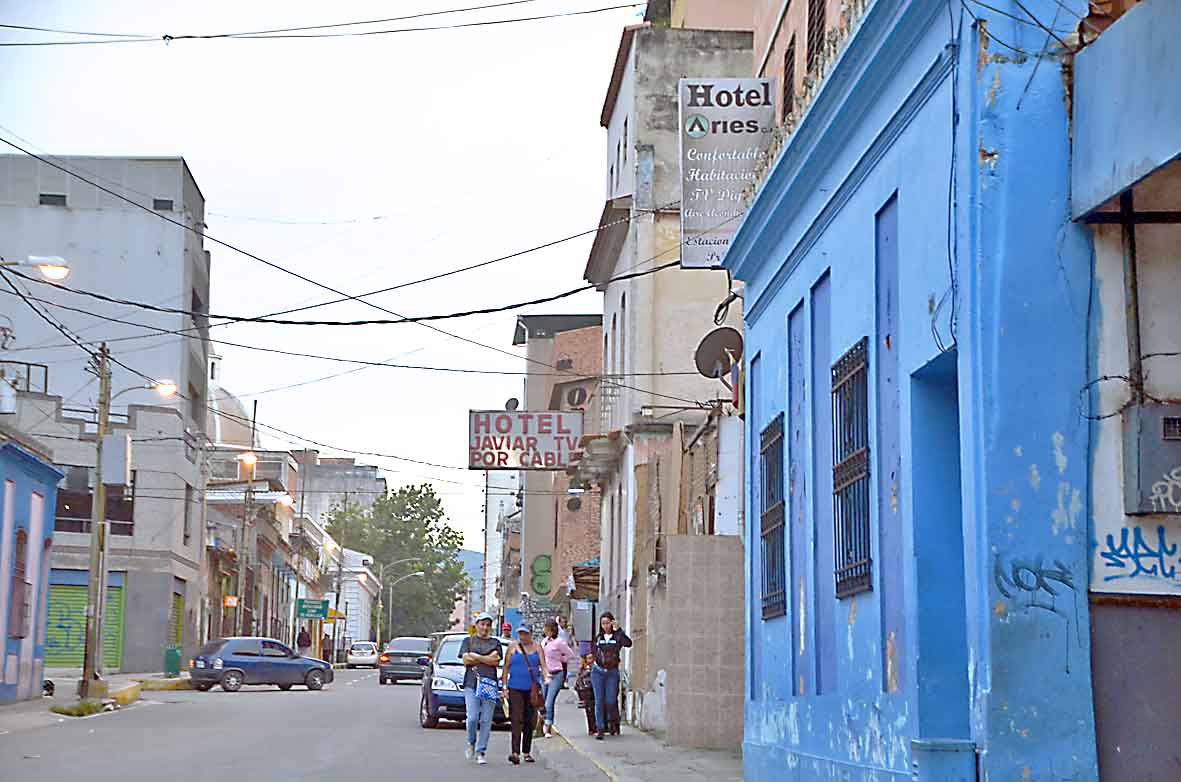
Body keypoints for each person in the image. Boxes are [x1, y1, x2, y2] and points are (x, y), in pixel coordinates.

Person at [501, 623, 549, 765]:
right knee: (516, 718)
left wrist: (546, 677)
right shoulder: (512, 648)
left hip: (531, 689)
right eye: (520, 633)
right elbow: (506, 668)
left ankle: (526, 751)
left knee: (529, 720)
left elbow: (543, 665)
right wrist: (504, 687)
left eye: (525, 634)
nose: (522, 636)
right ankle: (515, 752)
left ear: (531, 634)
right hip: (515, 687)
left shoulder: (537, 648)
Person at [460, 612, 503, 766]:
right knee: (472, 718)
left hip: (489, 684)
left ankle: (481, 751)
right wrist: (485, 658)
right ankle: (471, 743)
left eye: (488, 625)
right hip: (472, 683)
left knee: (486, 720)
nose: (485, 627)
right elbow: (466, 660)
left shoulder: (495, 642)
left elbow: (495, 661)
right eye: (482, 624)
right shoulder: (468, 641)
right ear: (477, 625)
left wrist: (476, 657)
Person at [590, 612, 631, 740]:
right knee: (599, 700)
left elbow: (628, 643)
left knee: (611, 700)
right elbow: (593, 651)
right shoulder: (598, 638)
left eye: (608, 623)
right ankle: (600, 728)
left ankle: (614, 723)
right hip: (598, 671)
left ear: (612, 622)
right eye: (603, 623)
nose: (605, 626)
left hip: (612, 672)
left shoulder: (617, 636)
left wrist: (618, 630)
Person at [540, 620, 577, 738]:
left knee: (549, 702)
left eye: (547, 628)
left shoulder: (559, 642)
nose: (545, 630)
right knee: (543, 701)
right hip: (544, 674)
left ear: (552, 630)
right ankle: (543, 723)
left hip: (556, 674)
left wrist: (561, 659)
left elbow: (570, 654)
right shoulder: (544, 642)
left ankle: (547, 727)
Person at [573, 653, 597, 735]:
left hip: (594, 690)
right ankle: (592, 728)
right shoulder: (583, 670)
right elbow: (578, 683)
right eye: (589, 658)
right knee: (589, 710)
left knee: (594, 709)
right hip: (587, 691)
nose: (591, 661)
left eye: (592, 658)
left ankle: (597, 727)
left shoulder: (596, 668)